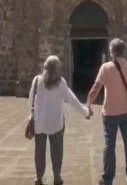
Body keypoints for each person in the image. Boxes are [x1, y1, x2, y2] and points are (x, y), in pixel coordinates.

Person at [28, 55, 90, 185]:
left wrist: (34, 114)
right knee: (57, 152)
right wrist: (85, 112)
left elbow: (30, 102)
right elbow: (72, 100)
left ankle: (39, 178)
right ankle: (57, 177)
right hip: (56, 123)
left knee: (39, 152)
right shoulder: (61, 83)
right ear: (57, 68)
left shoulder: (36, 80)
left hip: (40, 123)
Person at [87, 38, 127, 185]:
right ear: (123, 51)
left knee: (109, 146)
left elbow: (96, 87)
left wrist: (89, 103)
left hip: (110, 112)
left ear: (111, 51)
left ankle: (107, 179)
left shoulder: (106, 67)